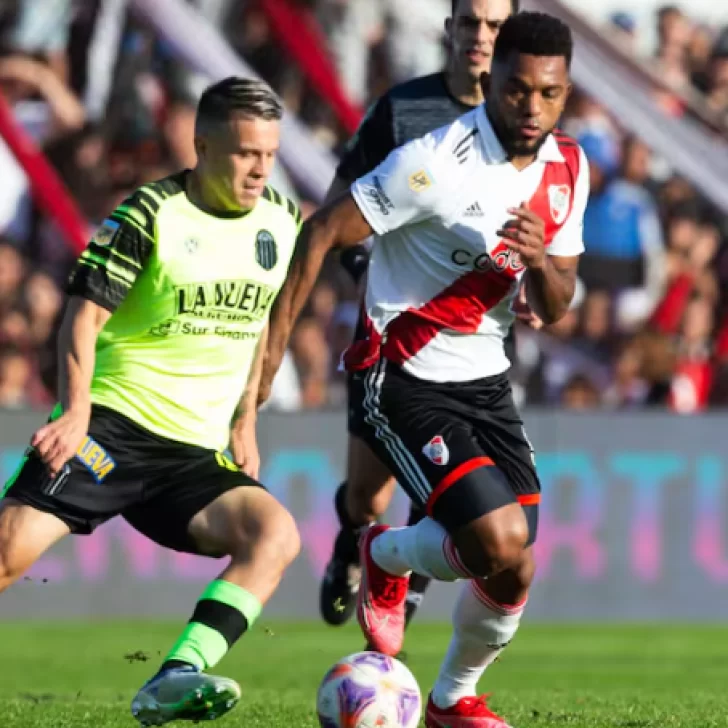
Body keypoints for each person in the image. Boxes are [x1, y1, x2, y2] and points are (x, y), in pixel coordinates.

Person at [260, 13, 587, 728]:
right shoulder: (434, 161)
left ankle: (448, 700)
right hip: (401, 373)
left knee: (515, 564)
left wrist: (537, 264)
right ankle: (382, 549)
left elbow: (557, 303)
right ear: (491, 79)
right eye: (516, 89)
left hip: (486, 382)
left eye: (549, 94)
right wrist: (271, 354)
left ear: (565, 93)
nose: (531, 108)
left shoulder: (569, 167)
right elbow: (321, 230)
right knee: (493, 541)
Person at [0, 77, 302, 727]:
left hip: (191, 453)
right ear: (201, 145)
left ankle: (175, 676)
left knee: (275, 535)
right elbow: (81, 319)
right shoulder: (149, 215)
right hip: (111, 424)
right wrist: (75, 413)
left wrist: (244, 419)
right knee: (8, 555)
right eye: (246, 153)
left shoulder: (282, 218)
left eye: (270, 154)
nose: (259, 170)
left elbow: (259, 325)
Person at [321, 0, 537, 640]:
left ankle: (397, 619)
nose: (480, 37)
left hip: (477, 348)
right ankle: (354, 543)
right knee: (367, 498)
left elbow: (542, 227)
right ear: (449, 30)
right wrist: (373, 266)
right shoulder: (403, 111)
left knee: (452, 496)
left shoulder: (531, 127)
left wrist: (532, 276)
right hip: (397, 344)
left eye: (495, 27)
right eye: (469, 22)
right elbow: (339, 210)